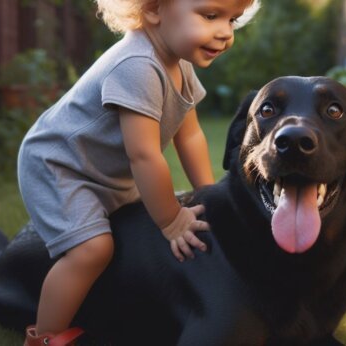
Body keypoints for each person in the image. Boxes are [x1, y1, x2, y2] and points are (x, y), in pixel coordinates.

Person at [18, 0, 260, 344]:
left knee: (130, 230)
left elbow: (188, 135)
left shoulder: (178, 63)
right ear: (153, 9)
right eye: (210, 15)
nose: (224, 32)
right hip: (58, 165)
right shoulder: (137, 65)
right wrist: (171, 221)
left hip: (102, 169)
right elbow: (143, 155)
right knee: (92, 250)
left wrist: (210, 195)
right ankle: (44, 335)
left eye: (232, 20)